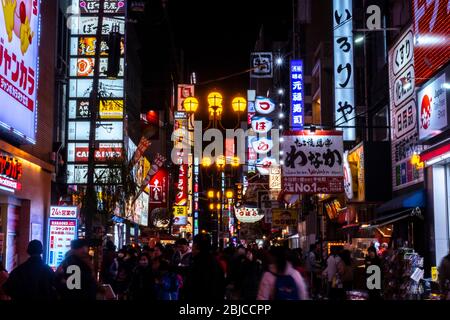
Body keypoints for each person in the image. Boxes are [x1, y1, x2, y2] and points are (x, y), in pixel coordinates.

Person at [183, 233, 225, 301]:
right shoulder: (214, 261)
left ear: (196, 246)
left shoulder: (199, 262)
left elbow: (194, 285)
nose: (192, 248)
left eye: (193, 245)